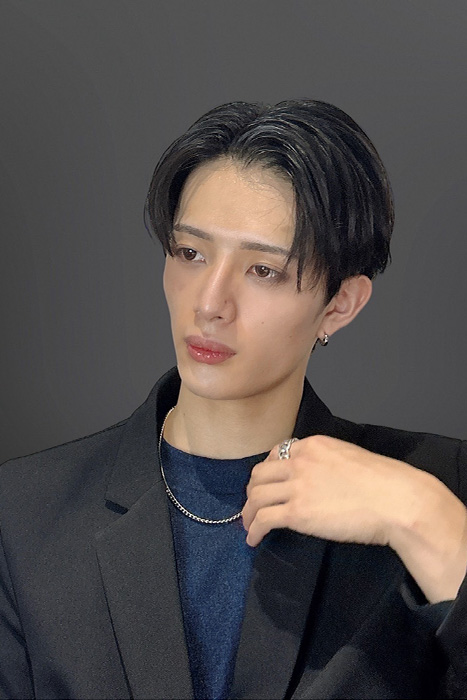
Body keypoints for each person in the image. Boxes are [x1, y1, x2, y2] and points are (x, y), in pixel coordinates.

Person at [1, 99, 466, 700]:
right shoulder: (25, 514)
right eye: (190, 254)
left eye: (263, 270)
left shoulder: (441, 487)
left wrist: (422, 514)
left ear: (340, 304)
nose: (209, 303)